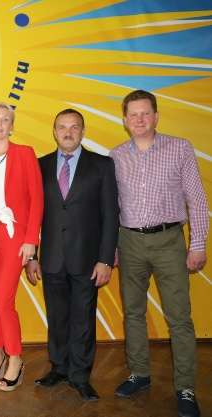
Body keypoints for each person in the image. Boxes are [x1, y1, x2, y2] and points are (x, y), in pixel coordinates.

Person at [110, 90, 207, 417]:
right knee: (133, 313)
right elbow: (112, 207)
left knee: (179, 318)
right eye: (133, 114)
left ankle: (186, 388)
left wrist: (198, 244)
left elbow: (197, 199)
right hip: (129, 242)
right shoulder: (116, 155)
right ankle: (139, 373)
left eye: (145, 113)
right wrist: (111, 248)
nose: (139, 119)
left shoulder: (180, 148)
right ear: (125, 120)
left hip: (169, 242)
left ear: (156, 116)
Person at [25, 109, 119, 401]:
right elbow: (32, 214)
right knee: (57, 318)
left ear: (83, 131)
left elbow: (110, 215)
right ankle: (59, 368)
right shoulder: (39, 165)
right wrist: (32, 256)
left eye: (74, 127)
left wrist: (105, 259)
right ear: (54, 132)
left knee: (83, 320)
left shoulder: (102, 165)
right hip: (51, 258)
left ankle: (80, 376)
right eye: (62, 127)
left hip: (87, 259)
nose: (68, 132)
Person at [0, 103, 43, 392]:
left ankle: (15, 357)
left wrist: (31, 240)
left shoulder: (24, 154)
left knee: (4, 301)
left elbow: (37, 198)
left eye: (5, 119)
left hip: (14, 233)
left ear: (11, 126)